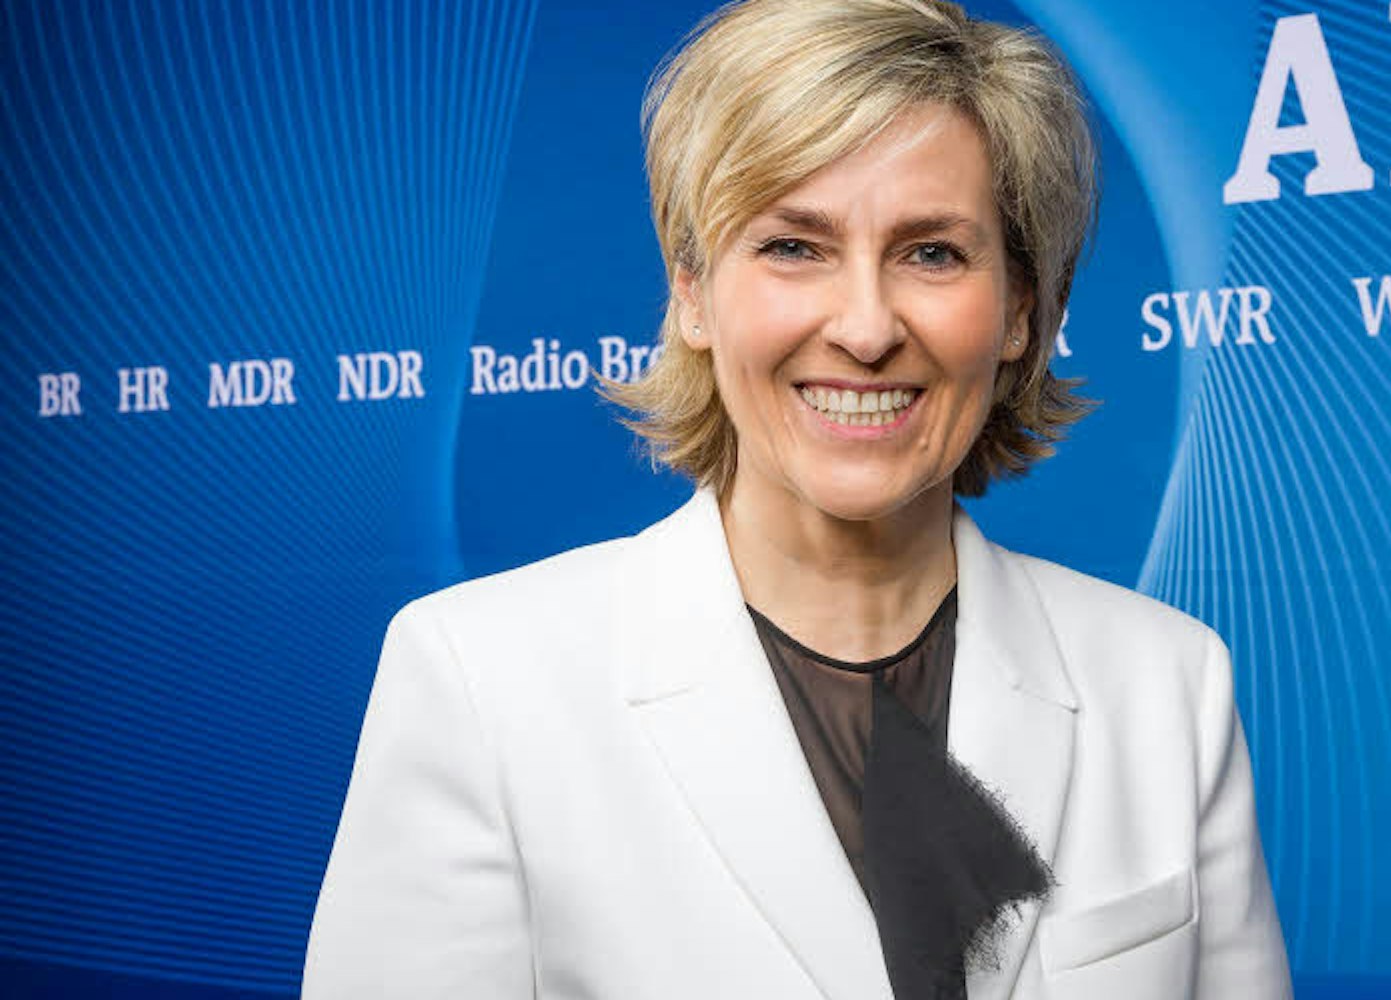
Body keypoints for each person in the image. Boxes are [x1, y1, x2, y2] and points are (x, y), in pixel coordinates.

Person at [302, 0, 1290, 996]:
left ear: (1020, 313)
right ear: (692, 292)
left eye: (932, 252)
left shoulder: (1168, 683)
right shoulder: (481, 683)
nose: (864, 327)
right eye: (792, 246)